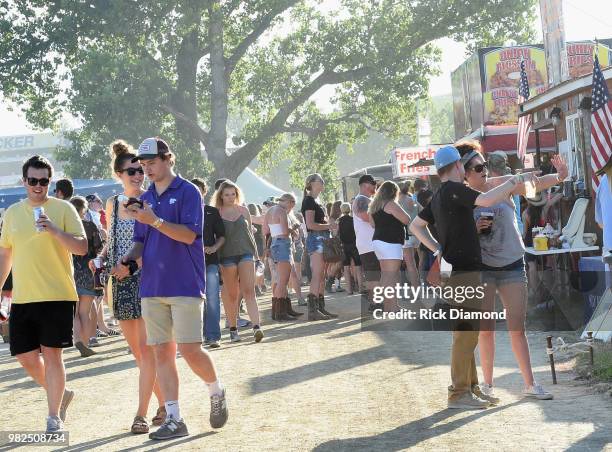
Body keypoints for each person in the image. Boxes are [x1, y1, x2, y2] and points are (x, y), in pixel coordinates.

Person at [113, 137, 228, 439]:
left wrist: (156, 220)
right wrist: (127, 261)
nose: (146, 169)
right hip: (151, 285)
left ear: (168, 159)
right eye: (143, 164)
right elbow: (140, 240)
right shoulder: (145, 197)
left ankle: (216, 390)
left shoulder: (188, 191)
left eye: (152, 162)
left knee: (190, 350)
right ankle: (174, 417)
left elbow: (191, 236)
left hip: (185, 282)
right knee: (161, 353)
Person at [410, 145, 539, 410]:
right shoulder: (454, 189)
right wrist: (514, 181)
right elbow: (487, 200)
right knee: (465, 334)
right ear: (457, 166)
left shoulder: (438, 195)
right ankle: (459, 392)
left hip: (455, 269)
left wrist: (436, 248)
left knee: (467, 333)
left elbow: (415, 226)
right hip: (463, 270)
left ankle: (470, 388)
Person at [457, 140, 565, 402]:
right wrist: (474, 228)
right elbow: (455, 237)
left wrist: (560, 176)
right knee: (486, 330)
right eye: (477, 167)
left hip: (512, 265)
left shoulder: (499, 185)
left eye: (484, 166)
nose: (484, 171)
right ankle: (489, 385)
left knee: (517, 328)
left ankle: (530, 384)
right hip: (482, 268)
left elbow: (533, 184)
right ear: (464, 173)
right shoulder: (460, 198)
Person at [0, 155, 87, 432]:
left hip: (57, 295)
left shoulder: (63, 209)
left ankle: (53, 417)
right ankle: (60, 393)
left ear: (50, 181)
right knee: (25, 356)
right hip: (24, 297)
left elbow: (82, 248)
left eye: (44, 181)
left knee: (52, 356)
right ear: (24, 181)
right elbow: (5, 254)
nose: (39, 186)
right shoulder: (12, 212)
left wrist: (55, 230)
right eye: (33, 180)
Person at [94, 140, 165, 433]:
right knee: (138, 353)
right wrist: (99, 259)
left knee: (148, 351)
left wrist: (130, 266)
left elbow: (155, 245)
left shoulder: (151, 201)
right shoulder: (112, 204)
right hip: (119, 284)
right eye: (132, 171)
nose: (138, 175)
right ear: (119, 174)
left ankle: (141, 414)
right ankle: (165, 404)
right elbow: (112, 242)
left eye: (141, 170)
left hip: (146, 279)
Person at [213, 180, 263, 343]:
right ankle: (233, 329)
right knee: (232, 294)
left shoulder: (243, 210)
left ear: (237, 194)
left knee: (249, 290)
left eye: (233, 194)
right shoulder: (216, 213)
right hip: (226, 256)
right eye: (226, 194)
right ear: (221, 195)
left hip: (246, 253)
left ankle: (257, 327)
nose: (230, 197)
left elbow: (250, 234)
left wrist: (257, 257)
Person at [192, 178, 225, 349]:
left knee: (212, 298)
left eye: (199, 190)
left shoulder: (212, 212)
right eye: (193, 190)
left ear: (204, 192)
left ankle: (213, 336)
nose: (196, 193)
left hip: (210, 261)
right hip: (188, 263)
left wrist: (214, 247)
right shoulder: (184, 212)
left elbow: (222, 236)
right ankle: (194, 337)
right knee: (192, 301)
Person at [369, 181, 411, 311]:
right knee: (392, 275)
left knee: (386, 275)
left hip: (378, 241)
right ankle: (391, 307)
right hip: (390, 242)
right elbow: (406, 219)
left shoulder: (374, 207)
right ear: (394, 192)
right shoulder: (391, 204)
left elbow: (372, 225)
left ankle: (390, 306)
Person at [70, 196, 104, 358]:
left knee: (75, 313)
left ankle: (77, 339)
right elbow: (99, 249)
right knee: (85, 312)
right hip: (88, 271)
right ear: (84, 210)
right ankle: (84, 342)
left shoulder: (66, 228)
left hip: (70, 272)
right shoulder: (90, 226)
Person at [301, 173, 337, 320]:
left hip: (321, 238)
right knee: (317, 274)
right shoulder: (309, 201)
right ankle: (313, 309)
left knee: (321, 274)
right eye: (320, 180)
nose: (323, 183)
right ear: (312, 183)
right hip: (316, 239)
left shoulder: (314, 201)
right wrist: (329, 225)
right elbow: (310, 225)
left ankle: (319, 307)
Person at [264, 193, 303, 320]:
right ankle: (280, 312)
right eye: (292, 204)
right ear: (289, 202)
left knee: (281, 279)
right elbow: (286, 231)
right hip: (283, 244)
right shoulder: (281, 211)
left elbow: (266, 231)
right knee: (283, 280)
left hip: (275, 243)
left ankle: (282, 309)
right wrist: (294, 228)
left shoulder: (270, 210)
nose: (292, 207)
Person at [352, 175, 380, 311]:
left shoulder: (366, 199)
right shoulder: (361, 199)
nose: (374, 186)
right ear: (363, 185)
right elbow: (364, 216)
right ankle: (375, 303)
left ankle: (375, 302)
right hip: (368, 244)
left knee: (375, 274)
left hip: (369, 243)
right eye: (372, 184)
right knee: (373, 274)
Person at [487, 151, 524, 235]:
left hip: (508, 230)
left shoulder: (500, 182)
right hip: (516, 228)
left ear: (490, 168)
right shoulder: (511, 179)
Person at [397, 181, 420, 288]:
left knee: (410, 264)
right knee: (412, 263)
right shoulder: (413, 200)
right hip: (417, 235)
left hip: (406, 236)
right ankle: (416, 285)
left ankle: (415, 288)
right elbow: (422, 212)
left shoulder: (398, 202)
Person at [337, 202, 362, 295]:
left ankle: (349, 290)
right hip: (354, 245)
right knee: (358, 267)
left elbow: (336, 234)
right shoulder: (354, 220)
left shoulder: (339, 221)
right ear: (350, 209)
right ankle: (360, 288)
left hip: (344, 246)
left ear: (341, 210)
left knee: (346, 268)